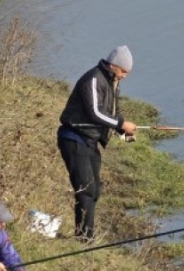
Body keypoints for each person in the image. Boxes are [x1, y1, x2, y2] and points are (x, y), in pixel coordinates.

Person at [57, 45, 138, 241]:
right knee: (86, 189)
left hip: (91, 141)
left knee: (95, 191)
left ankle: (85, 235)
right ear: (113, 66)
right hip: (74, 137)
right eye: (124, 71)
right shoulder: (93, 79)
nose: (125, 76)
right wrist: (121, 124)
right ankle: (85, 239)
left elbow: (112, 113)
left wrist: (122, 130)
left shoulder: (112, 82)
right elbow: (95, 113)